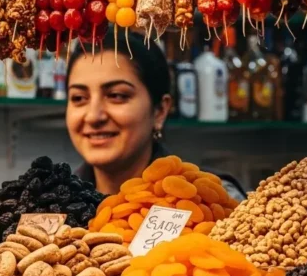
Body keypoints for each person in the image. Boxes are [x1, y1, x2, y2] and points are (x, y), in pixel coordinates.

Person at [66, 31, 246, 200]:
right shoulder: (50, 203)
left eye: (117, 96)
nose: (93, 116)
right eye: (79, 98)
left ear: (160, 111)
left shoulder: (213, 198)